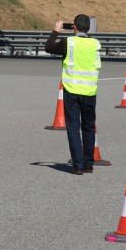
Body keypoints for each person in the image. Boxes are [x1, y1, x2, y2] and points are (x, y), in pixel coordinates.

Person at [45, 14, 101, 175]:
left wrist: (56, 31)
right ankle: (89, 164)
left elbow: (48, 47)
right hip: (90, 91)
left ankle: (77, 165)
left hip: (72, 90)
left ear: (74, 27)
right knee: (89, 127)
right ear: (88, 27)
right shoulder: (95, 44)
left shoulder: (68, 43)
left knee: (73, 128)